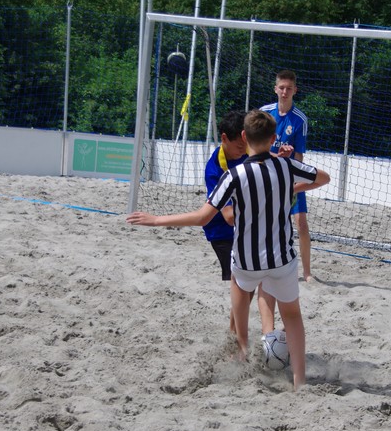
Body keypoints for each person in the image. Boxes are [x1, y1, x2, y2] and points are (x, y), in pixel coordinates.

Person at [128, 110, 331, 390]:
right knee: (293, 317)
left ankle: (243, 352)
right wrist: (289, 188)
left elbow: (202, 217)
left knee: (240, 289)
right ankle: (299, 382)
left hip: (247, 261)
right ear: (273, 138)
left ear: (244, 137)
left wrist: (156, 220)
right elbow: (323, 178)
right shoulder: (285, 166)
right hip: (282, 259)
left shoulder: (234, 175)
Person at [260, 70, 312, 282]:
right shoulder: (264, 114)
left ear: (295, 90)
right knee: (265, 222)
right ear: (275, 89)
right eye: (281, 87)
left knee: (301, 224)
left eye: (289, 88)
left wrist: (296, 181)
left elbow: (299, 155)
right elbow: (256, 149)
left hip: (290, 177)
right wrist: (275, 156)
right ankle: (264, 265)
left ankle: (307, 272)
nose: (284, 91)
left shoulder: (300, 119)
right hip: (267, 176)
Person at [203, 109, 249, 331]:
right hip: (222, 233)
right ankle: (236, 333)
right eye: (239, 146)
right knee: (243, 283)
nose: (243, 151)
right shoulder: (214, 169)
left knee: (248, 283)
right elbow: (229, 217)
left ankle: (235, 331)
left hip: (246, 228)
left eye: (246, 145)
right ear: (224, 138)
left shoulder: (247, 150)